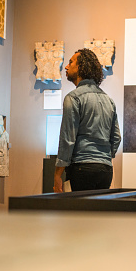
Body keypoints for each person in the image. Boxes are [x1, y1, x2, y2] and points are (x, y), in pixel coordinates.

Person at [53, 48, 121, 192]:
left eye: (71, 62)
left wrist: (58, 174)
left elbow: (67, 139)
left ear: (81, 67)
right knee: (98, 214)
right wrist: (104, 157)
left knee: (80, 214)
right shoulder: (109, 100)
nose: (66, 66)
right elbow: (116, 138)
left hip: (82, 168)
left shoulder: (73, 98)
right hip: (105, 170)